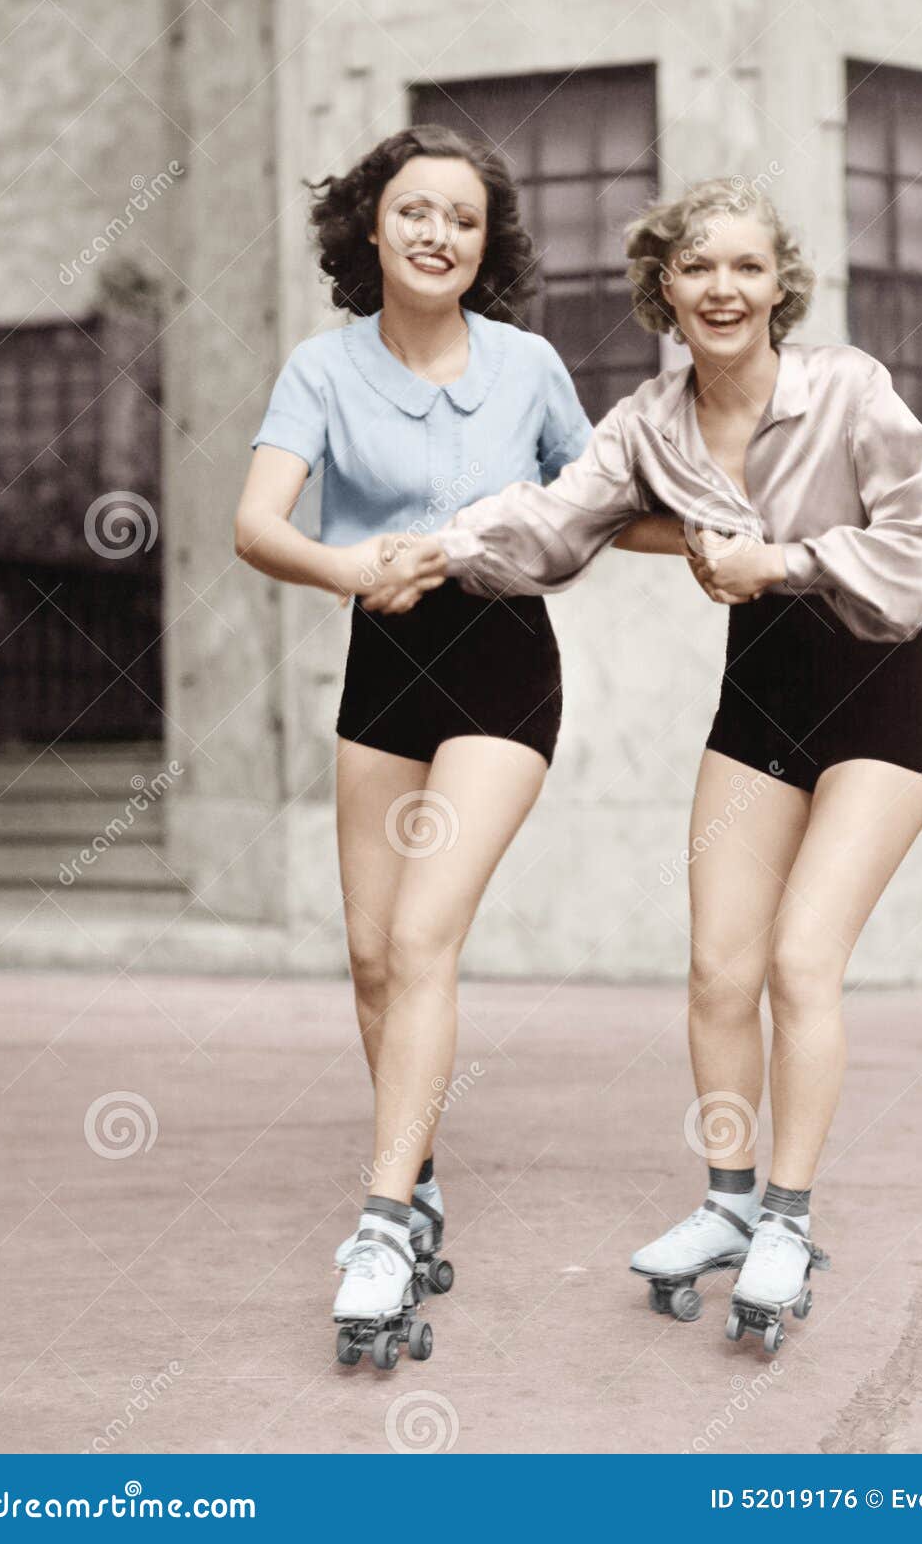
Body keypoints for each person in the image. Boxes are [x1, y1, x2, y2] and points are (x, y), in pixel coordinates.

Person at [431, 177, 922, 1347]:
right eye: (697, 267)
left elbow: (916, 554)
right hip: (757, 708)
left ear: (781, 286)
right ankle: (725, 1206)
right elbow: (556, 523)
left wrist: (787, 561)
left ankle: (790, 1216)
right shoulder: (648, 425)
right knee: (719, 971)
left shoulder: (849, 390)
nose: (724, 288)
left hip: (882, 700)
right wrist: (438, 544)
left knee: (800, 962)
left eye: (746, 268)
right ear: (663, 286)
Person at [233, 125, 676, 1356]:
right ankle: (418, 1185)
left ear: (488, 245)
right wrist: (347, 567)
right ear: (371, 227)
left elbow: (593, 506)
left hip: (498, 664)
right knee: (373, 959)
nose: (440, 234)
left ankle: (377, 1225)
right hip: (383, 665)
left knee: (425, 932)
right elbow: (256, 524)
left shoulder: (527, 366)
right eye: (416, 211)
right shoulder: (322, 372)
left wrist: (701, 536)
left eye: (465, 220)